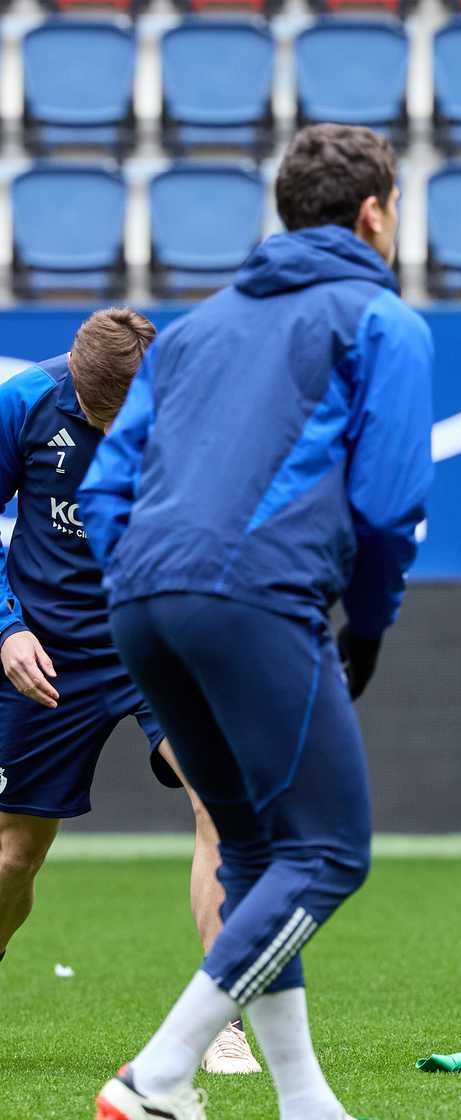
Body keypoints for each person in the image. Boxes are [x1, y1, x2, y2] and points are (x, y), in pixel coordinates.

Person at [83, 123, 434, 1120]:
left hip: (141, 605)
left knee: (252, 853)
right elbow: (388, 505)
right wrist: (369, 624)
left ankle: (305, 1098)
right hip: (254, 599)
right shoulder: (383, 320)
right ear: (374, 214)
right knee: (331, 851)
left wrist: (147, 583)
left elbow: (107, 489)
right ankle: (158, 1075)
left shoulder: (191, 330)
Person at [0, 309, 259, 1076]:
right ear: (80, 389)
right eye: (105, 421)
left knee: (222, 807)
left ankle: (220, 1020)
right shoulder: (25, 403)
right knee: (13, 856)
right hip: (47, 653)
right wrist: (7, 628)